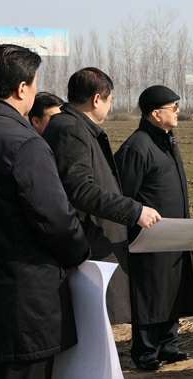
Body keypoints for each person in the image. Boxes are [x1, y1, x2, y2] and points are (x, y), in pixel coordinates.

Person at [0, 44, 90, 379]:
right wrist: (79, 252)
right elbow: (56, 221)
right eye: (35, 83)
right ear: (21, 88)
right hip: (20, 306)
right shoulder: (24, 144)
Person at [43, 67, 161, 325]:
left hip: (90, 237)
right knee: (92, 322)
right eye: (110, 100)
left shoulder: (73, 126)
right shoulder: (71, 129)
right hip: (88, 240)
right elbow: (80, 189)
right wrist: (134, 211)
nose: (110, 106)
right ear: (97, 99)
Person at [115, 86, 193, 370]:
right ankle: (146, 351)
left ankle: (168, 344)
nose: (178, 112)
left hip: (174, 233)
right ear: (155, 113)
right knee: (150, 292)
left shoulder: (166, 140)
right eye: (173, 108)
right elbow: (124, 195)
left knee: (172, 288)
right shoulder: (137, 146)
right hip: (149, 237)